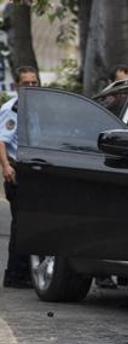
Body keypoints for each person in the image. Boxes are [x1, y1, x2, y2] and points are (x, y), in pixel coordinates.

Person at [0, 66, 39, 288]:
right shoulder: (12, 108)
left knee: (28, 223)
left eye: (34, 83)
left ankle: (24, 273)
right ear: (17, 86)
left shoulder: (34, 107)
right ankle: (15, 274)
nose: (31, 87)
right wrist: (6, 166)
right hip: (17, 171)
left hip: (31, 170)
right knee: (20, 224)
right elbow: (1, 141)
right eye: (27, 83)